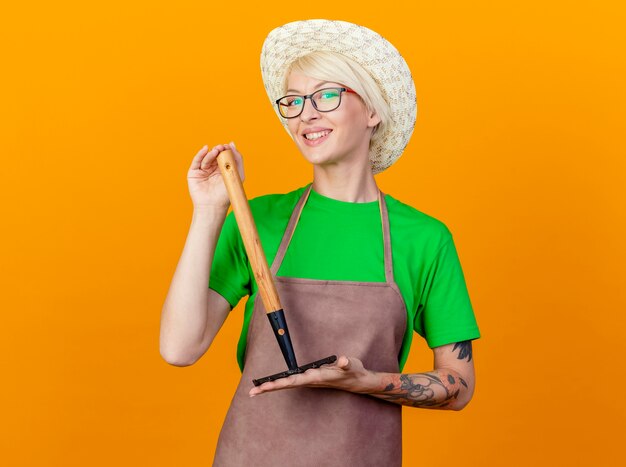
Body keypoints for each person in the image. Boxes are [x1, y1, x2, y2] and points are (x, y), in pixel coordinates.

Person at [160, 19, 480, 466]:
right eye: (292, 101)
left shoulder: (424, 239)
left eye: (326, 95)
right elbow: (179, 347)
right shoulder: (259, 221)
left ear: (372, 111)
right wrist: (210, 210)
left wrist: (365, 382)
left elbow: (459, 386)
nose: (305, 113)